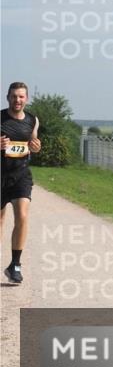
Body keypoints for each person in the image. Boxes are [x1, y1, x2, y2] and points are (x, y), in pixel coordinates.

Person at [1, 82, 41, 285]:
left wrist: (36, 147)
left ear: (26, 99)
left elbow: (32, 144)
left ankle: (15, 265)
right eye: (14, 96)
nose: (17, 100)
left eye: (21, 96)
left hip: (21, 176)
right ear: (7, 97)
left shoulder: (33, 120)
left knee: (23, 216)